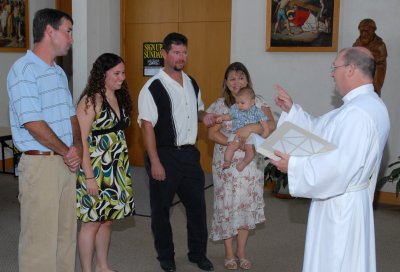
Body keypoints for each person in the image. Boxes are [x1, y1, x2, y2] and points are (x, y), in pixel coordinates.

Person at [271, 47, 390, 272]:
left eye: (335, 67)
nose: (332, 73)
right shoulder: (368, 104)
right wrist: (292, 111)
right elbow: (324, 131)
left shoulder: (358, 114)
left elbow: (339, 167)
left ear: (351, 69)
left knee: (335, 260)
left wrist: (294, 166)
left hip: (340, 205)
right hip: (349, 199)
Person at [6, 8, 82, 272]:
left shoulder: (59, 73)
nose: (72, 38)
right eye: (68, 31)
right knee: (39, 242)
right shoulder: (23, 70)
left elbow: (72, 117)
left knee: (65, 237)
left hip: (65, 163)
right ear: (50, 31)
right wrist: (66, 151)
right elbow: (33, 123)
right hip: (40, 165)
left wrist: (77, 150)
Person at [137, 32, 216, 272]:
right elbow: (147, 126)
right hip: (164, 155)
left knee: (197, 209)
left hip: (190, 155)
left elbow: (198, 111)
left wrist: (206, 116)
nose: (181, 57)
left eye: (184, 52)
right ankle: (166, 257)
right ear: (164, 54)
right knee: (161, 211)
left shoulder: (192, 82)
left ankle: (198, 254)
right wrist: (155, 161)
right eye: (176, 52)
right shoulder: (152, 87)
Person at [207, 62, 276, 270]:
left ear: (247, 80)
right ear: (226, 83)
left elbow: (271, 125)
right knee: (226, 205)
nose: (237, 82)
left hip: (250, 165)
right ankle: (229, 251)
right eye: (232, 78)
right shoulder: (220, 105)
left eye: (241, 77)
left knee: (246, 205)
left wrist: (251, 128)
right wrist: (233, 141)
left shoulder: (257, 101)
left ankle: (241, 250)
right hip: (226, 162)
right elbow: (211, 133)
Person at [76, 53, 135, 272]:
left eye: (123, 72)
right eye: (116, 73)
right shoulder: (91, 100)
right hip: (96, 170)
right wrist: (89, 176)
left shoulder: (119, 97)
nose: (122, 77)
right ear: (103, 75)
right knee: (91, 222)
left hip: (116, 169)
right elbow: (80, 140)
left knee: (107, 220)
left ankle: (102, 266)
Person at [216, 86, 269, 171]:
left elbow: (264, 122)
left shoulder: (257, 111)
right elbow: (229, 116)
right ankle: (227, 161)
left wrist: (265, 132)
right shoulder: (235, 109)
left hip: (251, 135)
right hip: (237, 133)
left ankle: (244, 163)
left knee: (250, 150)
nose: (239, 105)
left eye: (242, 103)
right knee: (231, 146)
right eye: (237, 103)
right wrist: (222, 118)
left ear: (252, 102)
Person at [353, 18, 387, 96]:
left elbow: (381, 66)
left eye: (367, 31)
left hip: (373, 79)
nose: (364, 34)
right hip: (358, 79)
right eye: (362, 31)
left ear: (373, 31)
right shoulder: (356, 44)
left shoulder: (380, 45)